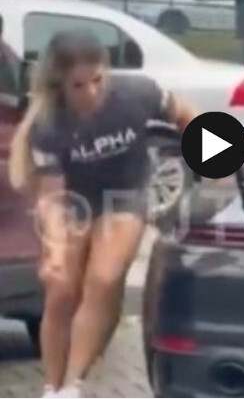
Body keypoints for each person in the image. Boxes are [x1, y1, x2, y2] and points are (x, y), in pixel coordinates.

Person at [8, 31, 198, 398]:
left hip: (124, 195)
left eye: (98, 80)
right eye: (78, 86)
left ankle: (73, 384)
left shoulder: (137, 93)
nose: (92, 92)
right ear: (61, 84)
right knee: (61, 290)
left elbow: (185, 115)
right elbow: (53, 197)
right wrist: (56, 251)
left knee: (104, 279)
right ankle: (51, 386)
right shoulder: (50, 123)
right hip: (73, 201)